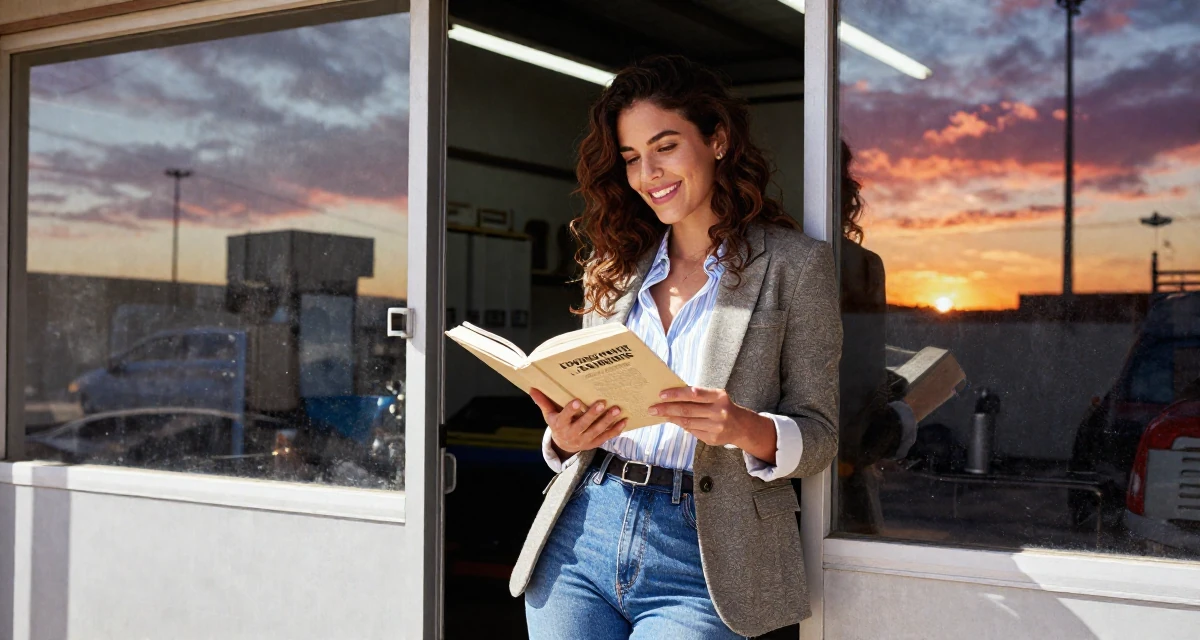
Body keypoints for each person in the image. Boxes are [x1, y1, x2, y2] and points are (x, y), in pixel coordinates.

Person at [508, 55, 842, 639]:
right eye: (631, 157)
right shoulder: (611, 268)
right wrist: (563, 437)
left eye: (665, 147)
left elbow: (821, 437)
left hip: (707, 556)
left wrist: (743, 427)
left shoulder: (796, 266)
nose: (648, 174)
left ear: (717, 141)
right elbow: (587, 399)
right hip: (585, 529)